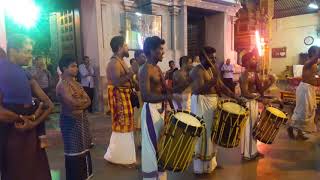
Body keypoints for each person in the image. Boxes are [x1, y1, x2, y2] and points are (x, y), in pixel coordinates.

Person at [0, 35, 53, 180]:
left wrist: (31, 121)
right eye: (27, 51)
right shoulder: (20, 73)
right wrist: (28, 120)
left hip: (22, 134)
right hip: (15, 135)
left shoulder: (24, 73)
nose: (30, 56)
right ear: (13, 51)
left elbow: (49, 105)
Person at [189, 46, 240, 174]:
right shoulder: (197, 71)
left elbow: (221, 87)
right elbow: (198, 90)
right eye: (210, 58)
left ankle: (211, 163)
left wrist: (235, 97)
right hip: (202, 104)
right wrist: (214, 79)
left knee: (213, 133)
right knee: (203, 134)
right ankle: (200, 168)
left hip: (212, 104)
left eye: (214, 57)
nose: (214, 60)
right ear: (202, 58)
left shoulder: (212, 69)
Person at [56, 55, 93, 180]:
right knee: (74, 154)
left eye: (76, 66)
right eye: (73, 66)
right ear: (64, 68)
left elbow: (88, 101)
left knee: (84, 151)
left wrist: (80, 103)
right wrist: (81, 102)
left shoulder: (77, 83)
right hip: (70, 123)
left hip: (82, 121)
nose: (76, 68)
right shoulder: (62, 85)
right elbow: (72, 103)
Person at [139, 36, 170, 180]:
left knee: (162, 142)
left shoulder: (157, 68)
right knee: (152, 145)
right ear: (152, 51)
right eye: (160, 49)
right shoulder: (145, 69)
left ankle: (161, 176)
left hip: (161, 109)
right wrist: (167, 98)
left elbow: (164, 90)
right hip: (151, 110)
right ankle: (151, 178)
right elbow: (145, 96)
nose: (163, 52)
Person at [105, 36, 136, 167]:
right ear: (119, 47)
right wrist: (131, 73)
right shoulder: (113, 63)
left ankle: (122, 156)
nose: (128, 48)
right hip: (119, 98)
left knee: (126, 126)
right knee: (122, 126)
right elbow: (117, 82)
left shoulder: (121, 61)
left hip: (125, 97)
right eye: (126, 45)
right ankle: (120, 158)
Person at [239, 50, 275, 160]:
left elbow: (260, 90)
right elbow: (245, 93)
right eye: (253, 59)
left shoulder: (254, 74)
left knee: (254, 128)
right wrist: (260, 99)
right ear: (246, 62)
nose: (256, 61)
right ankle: (247, 154)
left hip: (254, 102)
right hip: (247, 103)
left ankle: (253, 151)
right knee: (248, 129)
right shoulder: (244, 75)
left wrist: (270, 83)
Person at [288, 46, 320, 140]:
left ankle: (300, 133)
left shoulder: (314, 63)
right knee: (301, 112)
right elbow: (316, 59)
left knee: (307, 112)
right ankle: (290, 127)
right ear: (313, 53)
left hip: (309, 89)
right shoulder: (308, 63)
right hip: (304, 90)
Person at [27, 55, 52, 148]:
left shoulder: (45, 69)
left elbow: (49, 78)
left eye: (42, 60)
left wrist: (46, 71)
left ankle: (42, 136)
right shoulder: (31, 69)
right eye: (40, 60)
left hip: (45, 91)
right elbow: (34, 79)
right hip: (36, 92)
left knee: (44, 112)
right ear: (36, 61)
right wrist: (40, 70)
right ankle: (39, 137)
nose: (41, 61)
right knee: (38, 113)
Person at [131, 50, 147, 149]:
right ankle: (139, 143)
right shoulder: (135, 69)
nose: (144, 58)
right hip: (139, 97)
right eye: (142, 56)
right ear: (136, 57)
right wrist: (135, 81)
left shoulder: (144, 68)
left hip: (144, 97)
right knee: (138, 121)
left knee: (142, 121)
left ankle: (142, 142)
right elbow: (136, 85)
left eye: (144, 56)